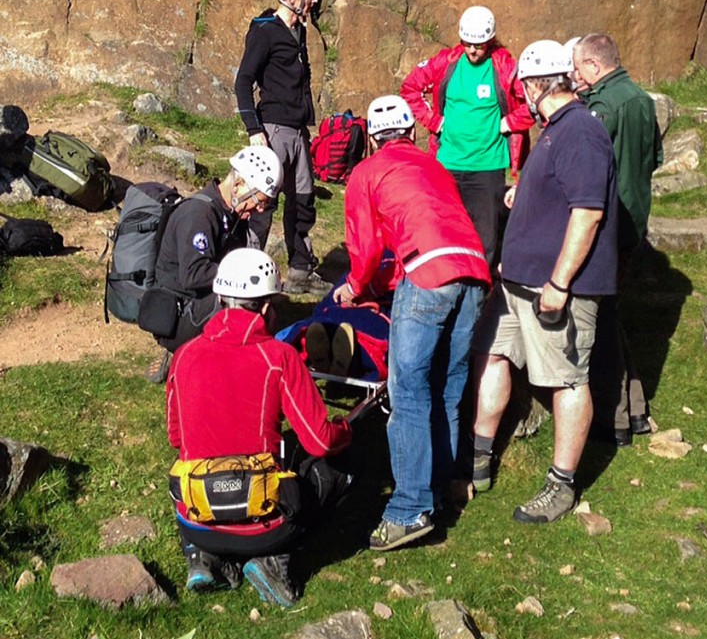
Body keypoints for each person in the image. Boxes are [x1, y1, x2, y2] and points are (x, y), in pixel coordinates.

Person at [334, 95, 490, 551]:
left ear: (372, 137)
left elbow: (364, 249)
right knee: (448, 384)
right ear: (411, 132)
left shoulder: (367, 172)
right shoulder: (434, 166)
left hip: (428, 274)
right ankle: (439, 489)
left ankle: (407, 509)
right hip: (474, 271)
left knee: (409, 390)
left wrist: (356, 288)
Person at [471, 40, 618, 524]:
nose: (522, 100)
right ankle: (478, 458)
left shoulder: (580, 132)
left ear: (537, 85)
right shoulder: (556, 130)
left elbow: (588, 213)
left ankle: (561, 485)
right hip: (517, 283)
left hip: (553, 288)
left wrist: (559, 282)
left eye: (523, 90)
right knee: (492, 353)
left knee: (566, 380)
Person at [166, 248, 353, 605]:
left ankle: (204, 558)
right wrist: (346, 430)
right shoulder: (279, 357)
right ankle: (273, 560)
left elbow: (176, 437)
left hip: (196, 521)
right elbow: (319, 442)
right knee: (337, 469)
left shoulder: (183, 355)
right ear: (266, 307)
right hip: (264, 527)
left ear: (221, 299)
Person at [573, 32, 664, 444]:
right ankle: (636, 408)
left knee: (600, 320)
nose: (576, 75)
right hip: (635, 219)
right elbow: (655, 159)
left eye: (578, 67)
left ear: (594, 66)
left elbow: (588, 163)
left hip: (609, 224)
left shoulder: (602, 107)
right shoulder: (643, 100)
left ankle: (615, 417)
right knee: (611, 314)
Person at [400, 5, 533, 264]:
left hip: (487, 167)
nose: (472, 50)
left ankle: (481, 294)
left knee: (485, 241)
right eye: (467, 43)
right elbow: (411, 88)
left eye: (479, 45)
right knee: (442, 232)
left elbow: (535, 100)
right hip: (447, 163)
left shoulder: (505, 67)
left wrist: (510, 122)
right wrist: (434, 122)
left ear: (490, 41)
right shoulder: (446, 62)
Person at [143, 146, 282, 383]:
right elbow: (193, 275)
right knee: (244, 309)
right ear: (238, 184)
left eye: (266, 204)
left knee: (263, 307)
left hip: (196, 302)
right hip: (178, 312)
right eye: (259, 201)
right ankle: (189, 354)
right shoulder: (199, 214)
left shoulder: (230, 214)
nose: (260, 210)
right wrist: (244, 279)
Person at [235, 0, 331, 295]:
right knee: (263, 201)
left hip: (298, 132)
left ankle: (301, 272)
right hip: (273, 131)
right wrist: (253, 129)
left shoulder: (299, 30)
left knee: (302, 199)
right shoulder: (265, 32)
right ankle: (245, 275)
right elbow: (243, 80)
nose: (313, 0)